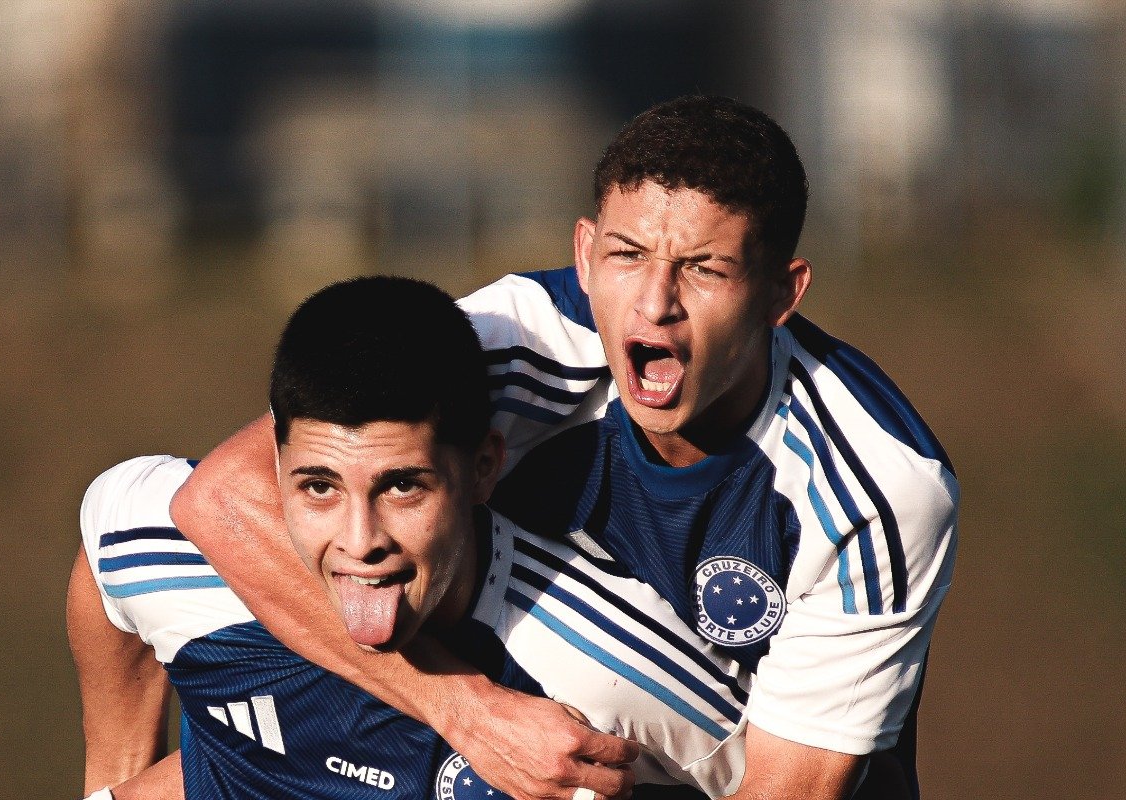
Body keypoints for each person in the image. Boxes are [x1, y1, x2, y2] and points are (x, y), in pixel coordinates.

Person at [170, 96, 959, 800]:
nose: (655, 303)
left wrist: (486, 725)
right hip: (510, 735)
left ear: (782, 294)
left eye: (704, 269)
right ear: (584, 254)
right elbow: (220, 497)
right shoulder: (522, 339)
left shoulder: (876, 491)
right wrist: (470, 713)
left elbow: (784, 791)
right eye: (627, 256)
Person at [69, 276, 760, 800]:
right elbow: (109, 546)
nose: (360, 540)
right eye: (318, 487)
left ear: (483, 468)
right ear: (273, 472)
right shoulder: (178, 553)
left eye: (403, 487)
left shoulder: (614, 671)